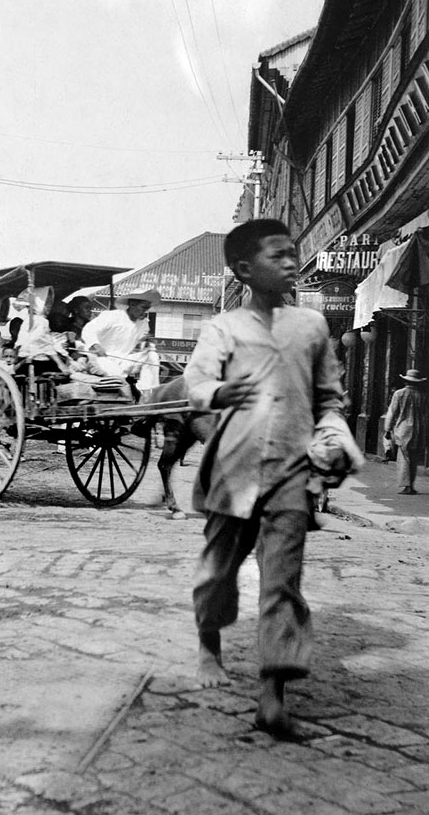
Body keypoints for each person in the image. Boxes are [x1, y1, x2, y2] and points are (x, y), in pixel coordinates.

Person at [184, 219, 348, 738]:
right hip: (234, 467)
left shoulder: (313, 327)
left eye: (291, 251)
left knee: (283, 583)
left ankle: (272, 696)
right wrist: (215, 395)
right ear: (245, 270)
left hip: (292, 473)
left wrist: (333, 440)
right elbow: (197, 381)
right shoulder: (223, 328)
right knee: (217, 572)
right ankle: (209, 647)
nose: (289, 260)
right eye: (276, 255)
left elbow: (330, 397)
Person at [80, 290, 161, 378]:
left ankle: (148, 389)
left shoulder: (143, 323)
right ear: (132, 305)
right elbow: (88, 329)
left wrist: (146, 343)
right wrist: (96, 346)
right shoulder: (112, 316)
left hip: (124, 359)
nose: (145, 312)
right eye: (143, 308)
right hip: (101, 357)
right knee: (116, 375)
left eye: (147, 309)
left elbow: (139, 341)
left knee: (152, 357)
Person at [384, 369, 428, 496]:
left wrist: (387, 429)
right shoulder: (423, 395)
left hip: (403, 430)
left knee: (404, 458)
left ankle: (407, 486)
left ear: (406, 381)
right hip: (419, 430)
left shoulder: (399, 394)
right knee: (413, 459)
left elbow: (392, 412)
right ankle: (411, 485)